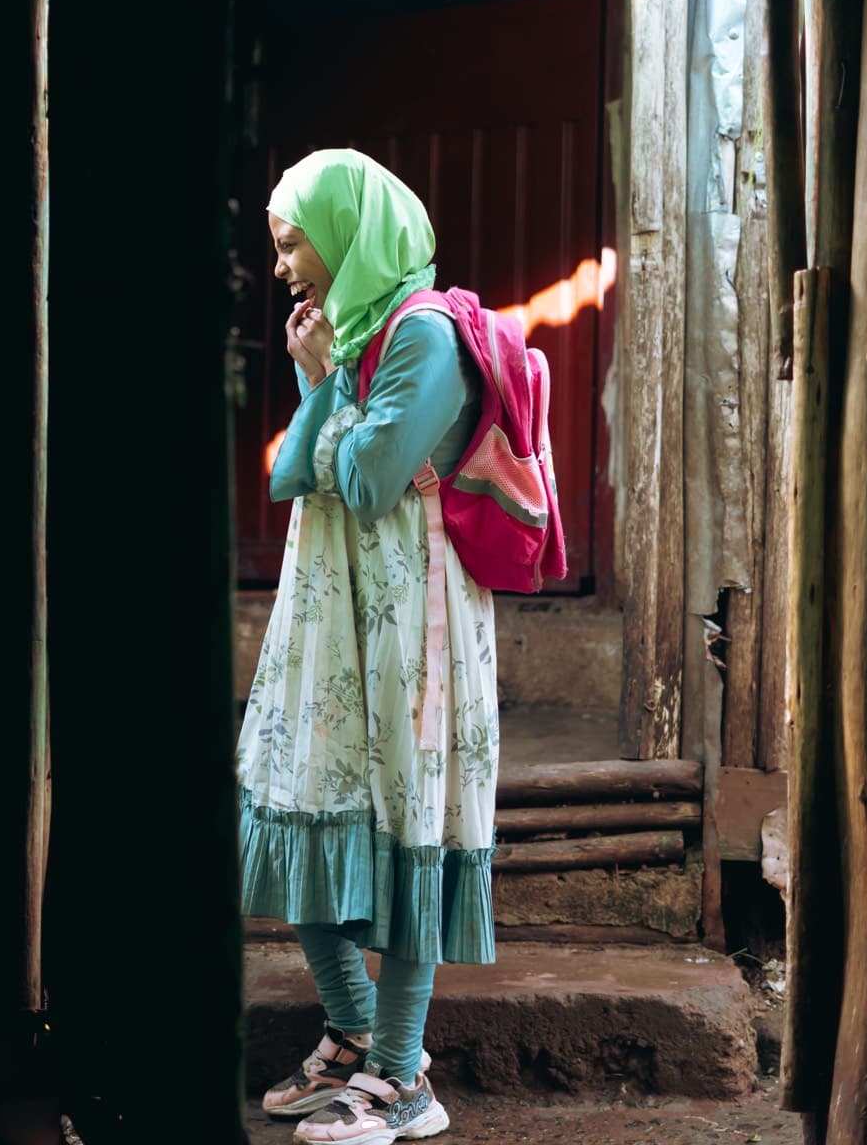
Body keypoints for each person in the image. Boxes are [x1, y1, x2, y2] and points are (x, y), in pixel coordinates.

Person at [235, 148, 499, 1145]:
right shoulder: (352, 339)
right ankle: (351, 1034)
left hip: (412, 622)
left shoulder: (424, 335)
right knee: (306, 795)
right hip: (340, 622)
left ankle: (401, 1075)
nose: (282, 264)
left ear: (345, 229)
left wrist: (325, 376)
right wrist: (322, 377)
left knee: (408, 820)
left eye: (291, 237)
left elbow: (379, 474)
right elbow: (296, 471)